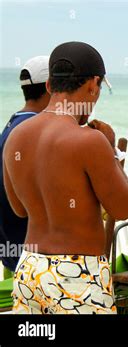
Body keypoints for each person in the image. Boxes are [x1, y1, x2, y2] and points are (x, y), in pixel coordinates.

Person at [3, 41, 128, 314]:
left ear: (50, 85)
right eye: (98, 91)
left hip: (29, 268)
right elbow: (123, 208)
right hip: (76, 274)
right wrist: (113, 153)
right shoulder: (90, 141)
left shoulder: (16, 136)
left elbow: (18, 208)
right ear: (93, 84)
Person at [0, 56, 51, 279]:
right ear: (51, 89)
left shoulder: (12, 126)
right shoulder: (34, 133)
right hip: (35, 256)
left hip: (12, 251)